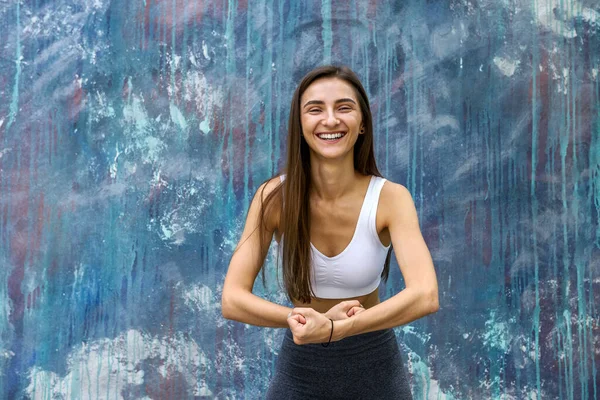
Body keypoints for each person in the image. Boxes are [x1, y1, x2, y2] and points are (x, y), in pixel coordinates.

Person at [221, 65, 439, 399]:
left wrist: (339, 328)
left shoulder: (391, 198)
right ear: (301, 123)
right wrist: (301, 320)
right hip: (300, 370)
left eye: (344, 107)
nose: (330, 120)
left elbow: (426, 294)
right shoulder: (273, 198)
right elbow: (233, 299)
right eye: (315, 109)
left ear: (362, 122)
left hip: (375, 369)